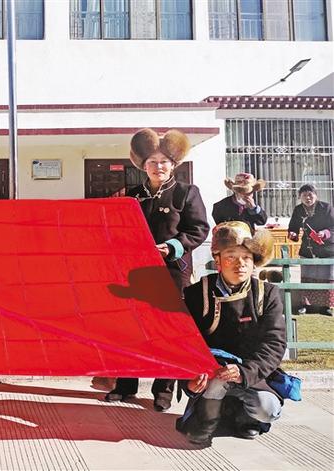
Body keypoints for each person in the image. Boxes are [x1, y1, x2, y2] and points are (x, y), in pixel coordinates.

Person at [104, 128, 209, 412]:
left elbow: (198, 229)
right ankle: (125, 385)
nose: (158, 167)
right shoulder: (132, 196)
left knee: (167, 330)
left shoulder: (187, 193)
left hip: (173, 272)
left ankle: (163, 389)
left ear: (173, 164)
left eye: (164, 162)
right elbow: (118, 231)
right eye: (152, 162)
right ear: (143, 165)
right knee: (131, 328)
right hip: (135, 274)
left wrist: (172, 247)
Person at [177, 221, 286, 445]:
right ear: (217, 260)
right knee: (217, 383)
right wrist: (189, 380)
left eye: (246, 257)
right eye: (231, 256)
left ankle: (247, 420)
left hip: (251, 372)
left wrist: (245, 372)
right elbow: (183, 343)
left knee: (268, 409)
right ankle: (206, 420)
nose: (240, 264)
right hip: (212, 374)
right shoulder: (197, 294)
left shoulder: (267, 294)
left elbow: (274, 344)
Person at [287, 184, 334, 315]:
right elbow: (293, 228)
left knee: (326, 278)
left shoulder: (326, 208)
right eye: (304, 195)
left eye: (310, 195)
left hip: (327, 249)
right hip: (308, 250)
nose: (308, 198)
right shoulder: (298, 210)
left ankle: (325, 306)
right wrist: (293, 234)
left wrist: (324, 233)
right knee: (307, 277)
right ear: (300, 197)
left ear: (316, 196)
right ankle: (306, 305)